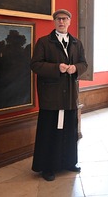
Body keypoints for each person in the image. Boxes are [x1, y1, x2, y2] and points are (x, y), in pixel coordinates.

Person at [30, 9, 88, 181]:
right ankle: (47, 167)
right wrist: (57, 68)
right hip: (51, 96)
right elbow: (35, 65)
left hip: (70, 95)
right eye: (58, 19)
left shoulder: (77, 43)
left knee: (70, 130)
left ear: (69, 21)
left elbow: (84, 63)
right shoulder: (44, 42)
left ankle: (69, 162)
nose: (61, 22)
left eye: (64, 19)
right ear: (54, 22)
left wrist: (75, 68)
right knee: (49, 131)